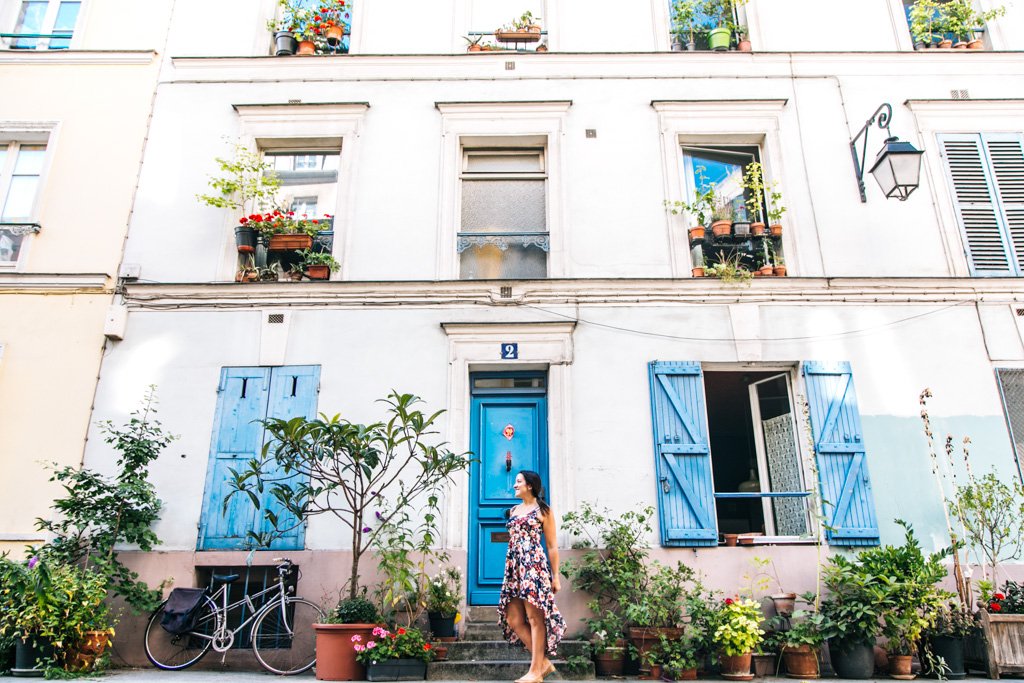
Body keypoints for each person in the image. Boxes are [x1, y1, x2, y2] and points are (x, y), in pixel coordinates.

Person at [497, 470, 567, 683]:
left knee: (535, 619)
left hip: (534, 567)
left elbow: (552, 546)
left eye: (518, 482)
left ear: (530, 486)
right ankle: (543, 664)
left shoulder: (543, 511)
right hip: (514, 569)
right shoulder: (513, 511)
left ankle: (535, 671)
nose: (514, 485)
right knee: (514, 618)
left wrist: (555, 576)